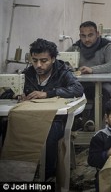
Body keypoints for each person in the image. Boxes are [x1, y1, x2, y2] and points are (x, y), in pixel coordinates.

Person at [22, 38, 84, 180]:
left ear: (53, 59)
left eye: (44, 61)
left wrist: (48, 93)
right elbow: (7, 91)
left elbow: (77, 89)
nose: (38, 65)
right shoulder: (28, 74)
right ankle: (17, 174)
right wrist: (16, 94)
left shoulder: (62, 72)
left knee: (49, 132)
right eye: (35, 60)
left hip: (56, 119)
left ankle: (48, 176)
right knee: (8, 125)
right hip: (31, 117)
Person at [73, 21, 111, 121]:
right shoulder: (76, 47)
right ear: (79, 36)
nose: (87, 39)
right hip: (84, 85)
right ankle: (75, 123)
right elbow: (63, 63)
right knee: (71, 92)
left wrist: (92, 70)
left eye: (90, 35)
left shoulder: (106, 46)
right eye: (83, 36)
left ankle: (92, 122)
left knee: (102, 93)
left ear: (97, 34)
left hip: (105, 84)